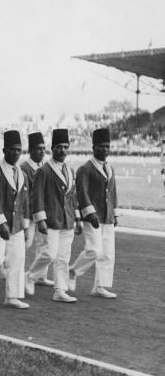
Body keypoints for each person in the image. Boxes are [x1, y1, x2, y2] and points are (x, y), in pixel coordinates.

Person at [25, 128, 82, 303]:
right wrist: (40, 219)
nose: (62, 150)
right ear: (53, 148)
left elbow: (73, 196)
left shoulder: (70, 171)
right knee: (49, 253)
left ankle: (60, 290)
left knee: (63, 257)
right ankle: (30, 276)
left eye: (65, 147)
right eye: (59, 147)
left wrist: (78, 218)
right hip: (50, 219)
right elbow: (37, 196)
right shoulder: (44, 170)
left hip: (67, 219)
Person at [69, 128, 119, 299]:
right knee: (94, 250)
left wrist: (115, 213)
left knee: (107, 253)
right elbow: (81, 193)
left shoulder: (110, 167)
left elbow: (113, 192)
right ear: (93, 147)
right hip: (93, 217)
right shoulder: (85, 169)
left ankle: (100, 286)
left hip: (107, 216)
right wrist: (90, 214)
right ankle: (73, 271)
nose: (104, 150)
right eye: (101, 146)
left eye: (107, 146)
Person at [0, 130, 30, 309]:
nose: (15, 153)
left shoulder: (22, 175)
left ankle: (12, 296)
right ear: (4, 150)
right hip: (1, 225)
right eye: (12, 150)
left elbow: (25, 201)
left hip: (17, 225)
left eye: (18, 150)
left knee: (17, 258)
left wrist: (25, 225)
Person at [21, 132, 53, 286]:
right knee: (25, 243)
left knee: (45, 244)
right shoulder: (24, 168)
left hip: (42, 213)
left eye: (43, 149)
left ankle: (40, 276)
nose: (41, 152)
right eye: (38, 149)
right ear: (30, 150)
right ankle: (5, 269)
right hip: (28, 212)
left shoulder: (45, 167)